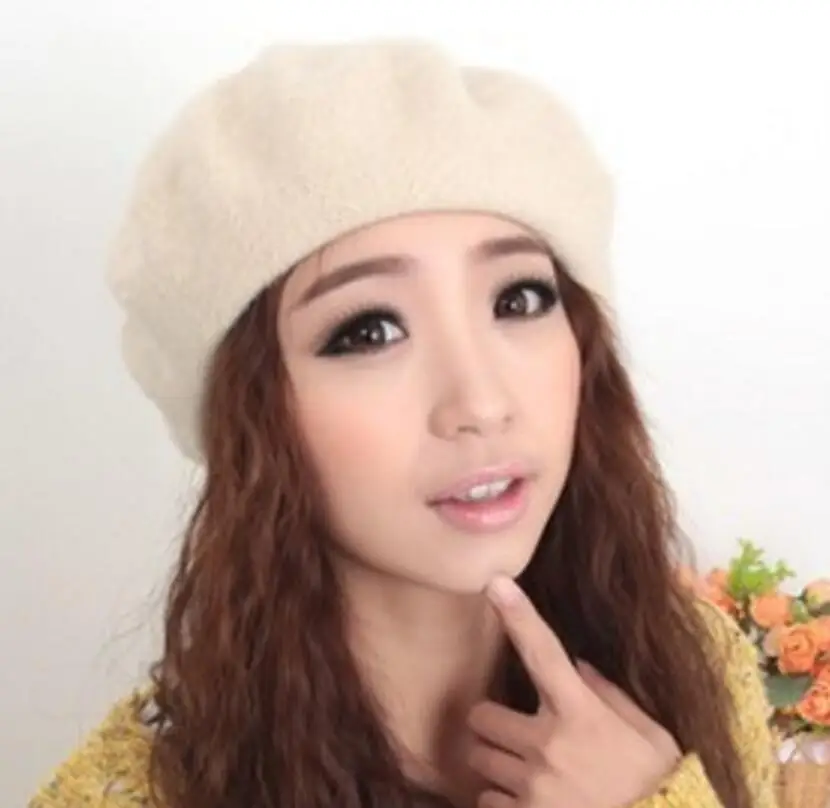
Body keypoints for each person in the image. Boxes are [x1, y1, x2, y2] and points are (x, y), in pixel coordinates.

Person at [27, 37, 778, 808]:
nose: (480, 402)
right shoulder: (134, 794)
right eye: (369, 331)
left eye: (517, 299)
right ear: (248, 418)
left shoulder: (695, 668)